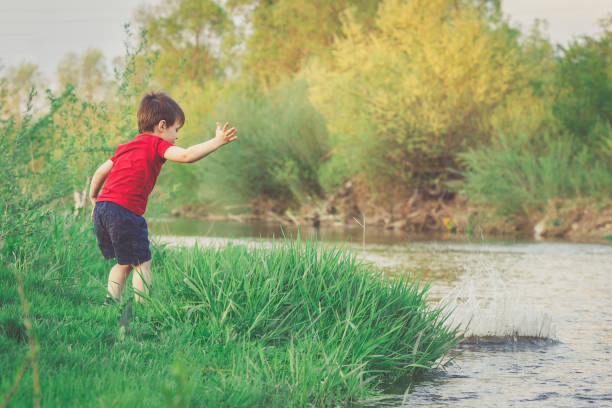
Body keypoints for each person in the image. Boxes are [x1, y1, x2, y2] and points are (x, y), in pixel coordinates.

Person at [88, 92, 237, 305]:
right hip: (124, 210)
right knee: (142, 262)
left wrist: (94, 197)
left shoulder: (126, 147)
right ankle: (142, 306)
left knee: (123, 262)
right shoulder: (156, 145)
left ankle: (110, 302)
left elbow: (101, 170)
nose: (176, 137)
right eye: (176, 130)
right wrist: (217, 141)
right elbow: (186, 156)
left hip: (104, 208)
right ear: (162, 126)